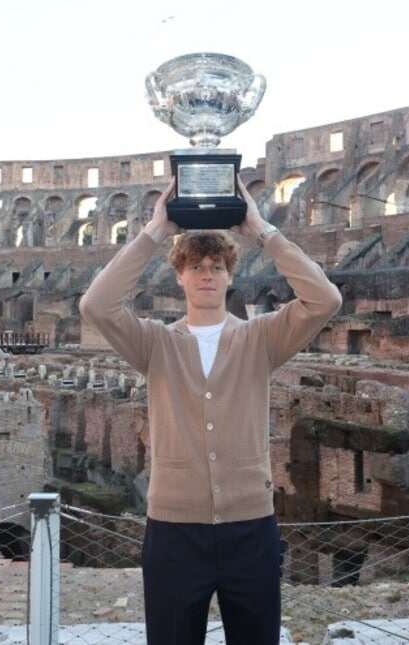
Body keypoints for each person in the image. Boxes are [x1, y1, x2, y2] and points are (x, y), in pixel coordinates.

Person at [79, 177, 341, 644]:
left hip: (250, 526)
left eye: (216, 266)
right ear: (179, 276)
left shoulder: (260, 337)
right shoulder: (155, 343)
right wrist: (155, 232)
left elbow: (325, 299)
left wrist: (262, 231)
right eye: (195, 266)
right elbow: (96, 305)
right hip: (174, 531)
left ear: (229, 276)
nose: (206, 274)